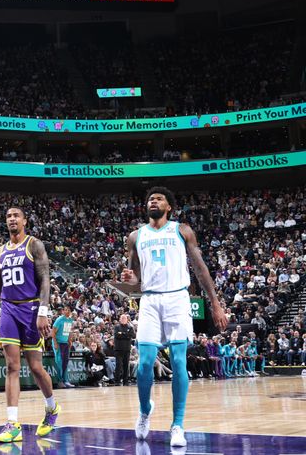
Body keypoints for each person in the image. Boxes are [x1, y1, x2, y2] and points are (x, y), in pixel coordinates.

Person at [120, 186, 227, 448]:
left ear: (169, 207)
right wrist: (129, 278)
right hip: (150, 300)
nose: (153, 201)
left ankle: (177, 424)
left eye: (159, 198)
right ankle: (145, 410)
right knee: (145, 364)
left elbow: (200, 269)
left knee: (179, 362)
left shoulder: (182, 230)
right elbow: (135, 277)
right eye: (150, 199)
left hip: (178, 299)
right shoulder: (136, 236)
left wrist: (215, 304)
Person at [0, 207, 59, 443]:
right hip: (9, 310)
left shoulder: (34, 245)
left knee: (35, 367)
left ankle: (52, 407)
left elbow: (45, 280)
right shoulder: (0, 251)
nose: (12, 219)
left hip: (32, 308)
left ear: (24, 220)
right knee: (12, 366)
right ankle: (13, 424)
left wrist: (43, 311)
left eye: (16, 216)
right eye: (8, 216)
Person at [51, 305, 74, 388]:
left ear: (70, 311)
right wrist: (55, 343)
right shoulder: (59, 319)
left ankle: (66, 380)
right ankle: (60, 381)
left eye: (68, 310)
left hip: (65, 343)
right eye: (65, 310)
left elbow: (69, 331)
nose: (66, 311)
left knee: (65, 362)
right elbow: (53, 332)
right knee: (59, 362)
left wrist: (69, 340)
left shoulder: (71, 320)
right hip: (58, 342)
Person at [114, 313, 135, 386]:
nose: (123, 320)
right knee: (118, 365)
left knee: (126, 365)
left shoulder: (130, 327)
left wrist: (122, 334)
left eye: (124, 318)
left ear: (127, 320)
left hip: (127, 349)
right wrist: (126, 334)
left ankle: (125, 381)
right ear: (120, 319)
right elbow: (117, 335)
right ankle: (117, 380)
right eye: (122, 318)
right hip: (118, 349)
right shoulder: (117, 327)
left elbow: (132, 335)